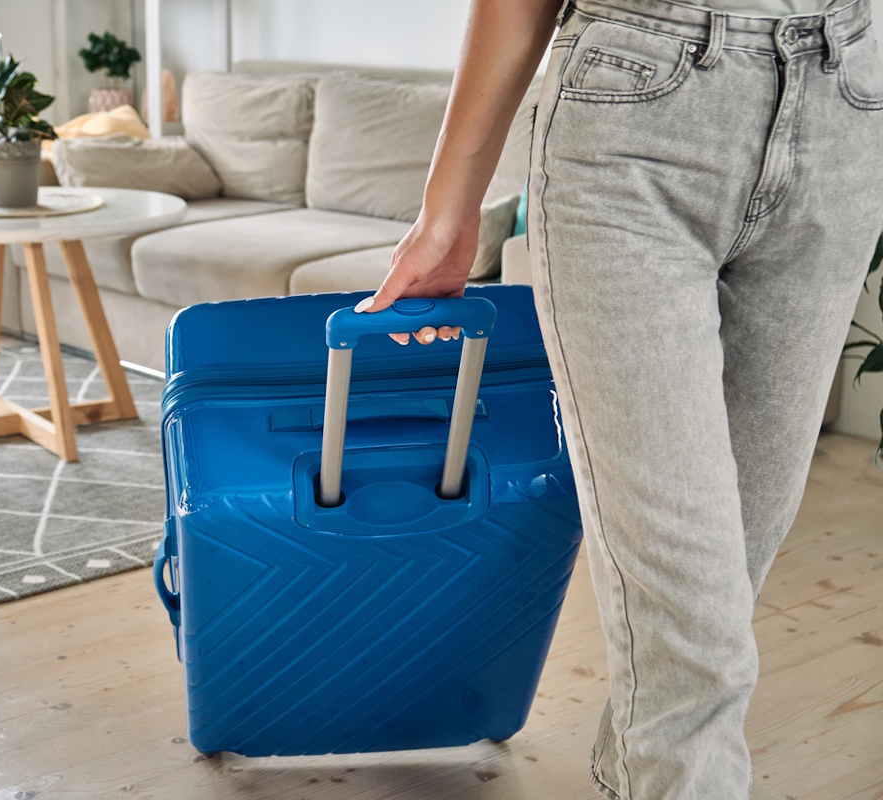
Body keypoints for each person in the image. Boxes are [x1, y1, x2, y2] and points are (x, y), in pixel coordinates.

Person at [355, 0, 883, 797]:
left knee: (725, 582)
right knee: (696, 631)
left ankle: (630, 773)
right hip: (636, 105)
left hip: (847, 98)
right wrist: (449, 208)